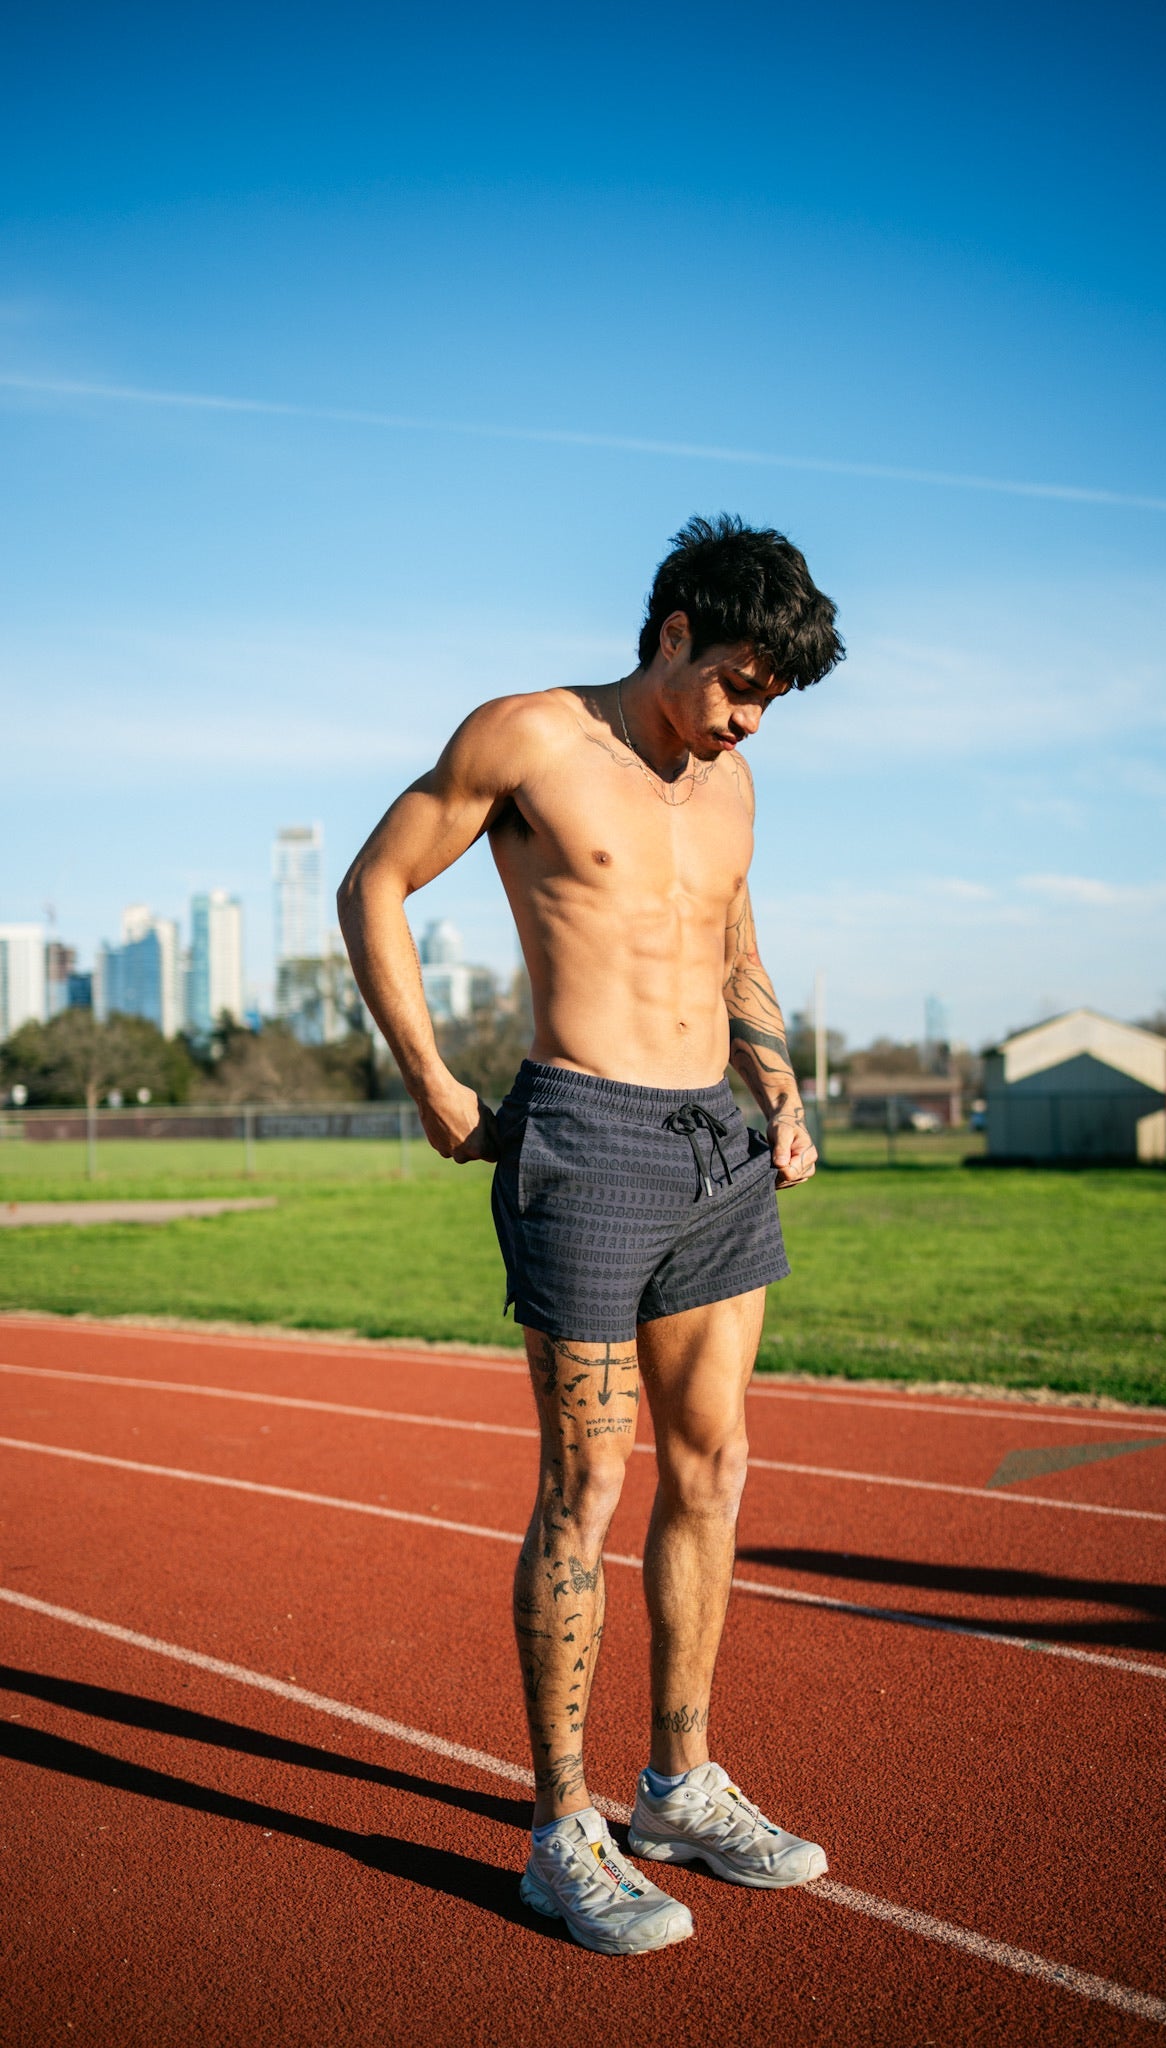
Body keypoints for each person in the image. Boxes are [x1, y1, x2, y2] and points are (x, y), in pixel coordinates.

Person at [338, 514, 844, 1954]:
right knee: (588, 1484)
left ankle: (679, 1784)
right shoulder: (526, 739)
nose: (748, 719)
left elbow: (731, 946)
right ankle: (562, 1830)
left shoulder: (732, 781)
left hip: (720, 1151)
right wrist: (433, 1080)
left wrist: (782, 1090)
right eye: (739, 683)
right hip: (588, 1141)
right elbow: (372, 884)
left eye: (770, 701)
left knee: (715, 1461)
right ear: (672, 631)